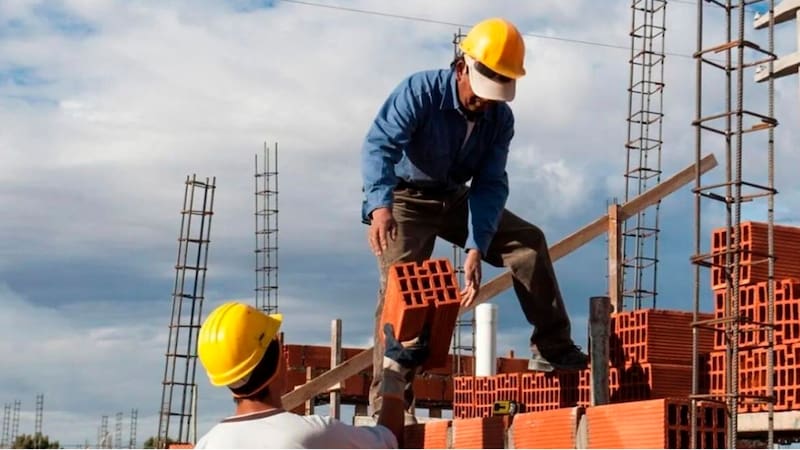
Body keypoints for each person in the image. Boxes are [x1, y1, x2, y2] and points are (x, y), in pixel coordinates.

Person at [360, 17, 589, 421]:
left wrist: (475, 246)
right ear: (462, 66)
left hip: (455, 197)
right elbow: (379, 145)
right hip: (405, 200)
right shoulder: (420, 92)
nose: (485, 102)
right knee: (405, 291)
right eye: (483, 91)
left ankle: (553, 349)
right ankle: (391, 402)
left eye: (497, 93)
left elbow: (489, 184)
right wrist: (380, 207)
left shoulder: (500, 119)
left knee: (527, 243)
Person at [194, 301, 430, 449]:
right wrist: (394, 372)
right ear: (278, 362)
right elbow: (388, 439)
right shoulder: (311, 435)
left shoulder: (207, 444)